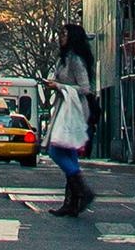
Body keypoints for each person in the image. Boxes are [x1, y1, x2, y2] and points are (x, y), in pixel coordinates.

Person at [47, 21, 100, 217]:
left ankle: (82, 191)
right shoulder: (65, 59)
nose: (61, 37)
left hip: (75, 111)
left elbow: (86, 88)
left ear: (73, 38)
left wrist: (59, 87)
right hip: (66, 108)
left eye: (64, 34)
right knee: (69, 154)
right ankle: (72, 202)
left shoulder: (76, 60)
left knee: (56, 150)